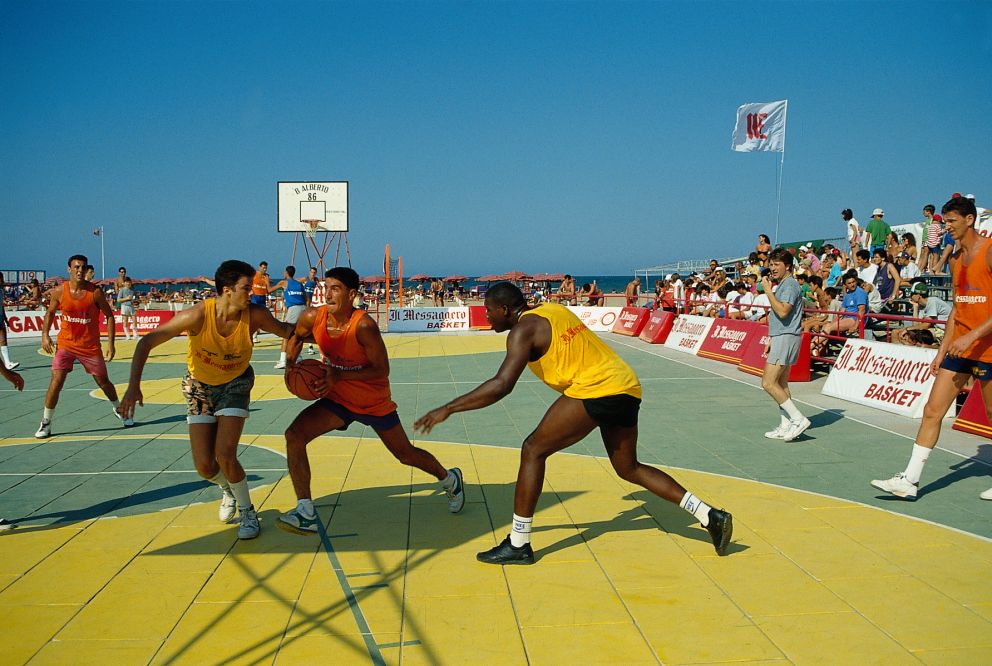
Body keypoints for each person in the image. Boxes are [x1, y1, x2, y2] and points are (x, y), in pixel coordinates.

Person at [413, 282, 733, 564]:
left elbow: (502, 384)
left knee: (533, 449)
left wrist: (448, 408)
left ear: (506, 310)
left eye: (489, 311)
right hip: (626, 385)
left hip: (597, 389)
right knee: (628, 468)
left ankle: (518, 543)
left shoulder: (523, 330)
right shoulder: (551, 309)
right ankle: (709, 515)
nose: (487, 317)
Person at [276, 267, 464, 534]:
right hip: (338, 398)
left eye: (336, 288)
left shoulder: (363, 325)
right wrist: (290, 367)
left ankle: (449, 479)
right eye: (326, 287)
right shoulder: (312, 316)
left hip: (372, 402)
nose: (328, 294)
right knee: (295, 435)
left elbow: (381, 369)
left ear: (351, 294)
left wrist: (339, 374)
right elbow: (294, 336)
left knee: (405, 454)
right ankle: (305, 510)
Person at [119, 260, 297, 539]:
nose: (251, 293)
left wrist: (321, 337)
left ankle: (248, 512)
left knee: (225, 453)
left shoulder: (256, 315)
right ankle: (227, 489)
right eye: (245, 288)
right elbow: (146, 342)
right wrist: (133, 386)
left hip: (236, 383)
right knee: (204, 466)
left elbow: (290, 332)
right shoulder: (198, 315)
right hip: (199, 385)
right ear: (227, 290)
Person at [871, 197, 992, 501]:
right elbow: (957, 310)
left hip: (988, 348)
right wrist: (942, 350)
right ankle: (909, 480)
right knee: (932, 411)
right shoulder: (954, 260)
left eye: (951, 221)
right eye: (944, 222)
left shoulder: (989, 252)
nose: (946, 227)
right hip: (959, 350)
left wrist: (972, 336)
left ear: (969, 219)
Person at [36, 255, 126, 437]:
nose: (80, 270)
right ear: (69, 269)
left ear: (86, 270)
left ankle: (119, 409)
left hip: (90, 347)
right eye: (76, 267)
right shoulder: (60, 291)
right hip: (66, 345)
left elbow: (109, 316)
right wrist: (45, 335)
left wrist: (111, 344)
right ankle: (46, 422)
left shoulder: (95, 293)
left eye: (83, 267)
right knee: (56, 381)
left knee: (103, 382)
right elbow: (50, 313)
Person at [760, 249, 811, 442]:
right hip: (781, 336)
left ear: (787, 266)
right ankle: (786, 424)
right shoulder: (782, 284)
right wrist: (772, 338)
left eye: (776, 265)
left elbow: (782, 312)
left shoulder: (789, 285)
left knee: (768, 382)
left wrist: (767, 292)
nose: (772, 268)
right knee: (781, 384)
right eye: (771, 264)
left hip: (787, 337)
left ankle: (798, 418)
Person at [270, 266, 308, 369]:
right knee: (298, 334)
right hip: (303, 308)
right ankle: (298, 356)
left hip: (294, 309)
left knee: (286, 334)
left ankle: (283, 360)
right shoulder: (299, 283)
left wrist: (265, 280)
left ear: (286, 273)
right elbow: (306, 299)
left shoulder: (284, 282)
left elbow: (269, 290)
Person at [0, 273, 19, 370]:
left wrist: (5, 319)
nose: (1, 281)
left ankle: (7, 363)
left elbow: (1, 306)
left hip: (0, 319)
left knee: (3, 340)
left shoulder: (1, 291)